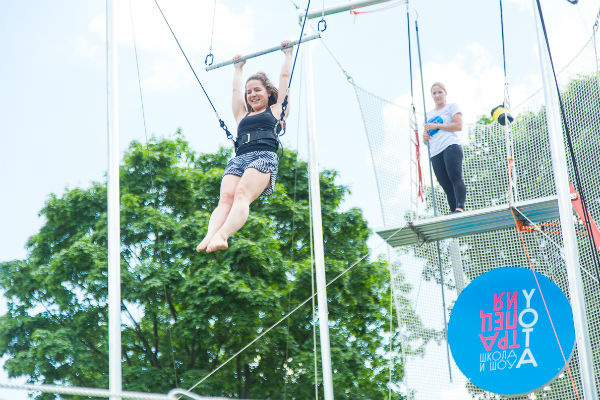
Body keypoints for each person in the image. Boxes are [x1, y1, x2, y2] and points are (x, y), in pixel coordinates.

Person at [197, 41, 293, 253]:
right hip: (240, 158)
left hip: (263, 157)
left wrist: (287, 55)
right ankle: (210, 235)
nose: (252, 95)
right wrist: (238, 68)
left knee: (242, 194)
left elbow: (285, 79)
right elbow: (235, 90)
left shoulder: (277, 110)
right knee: (225, 199)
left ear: (268, 93)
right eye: (249, 92)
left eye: (257, 90)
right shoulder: (242, 115)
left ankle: (223, 235)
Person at [422, 82, 466, 213]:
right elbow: (426, 140)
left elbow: (458, 126)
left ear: (445, 93)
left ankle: (459, 206)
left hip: (450, 145)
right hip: (435, 151)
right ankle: (453, 211)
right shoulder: (428, 115)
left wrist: (437, 126)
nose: (437, 95)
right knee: (445, 184)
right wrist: (425, 137)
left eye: (440, 92)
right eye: (434, 93)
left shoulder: (452, 107)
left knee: (455, 176)